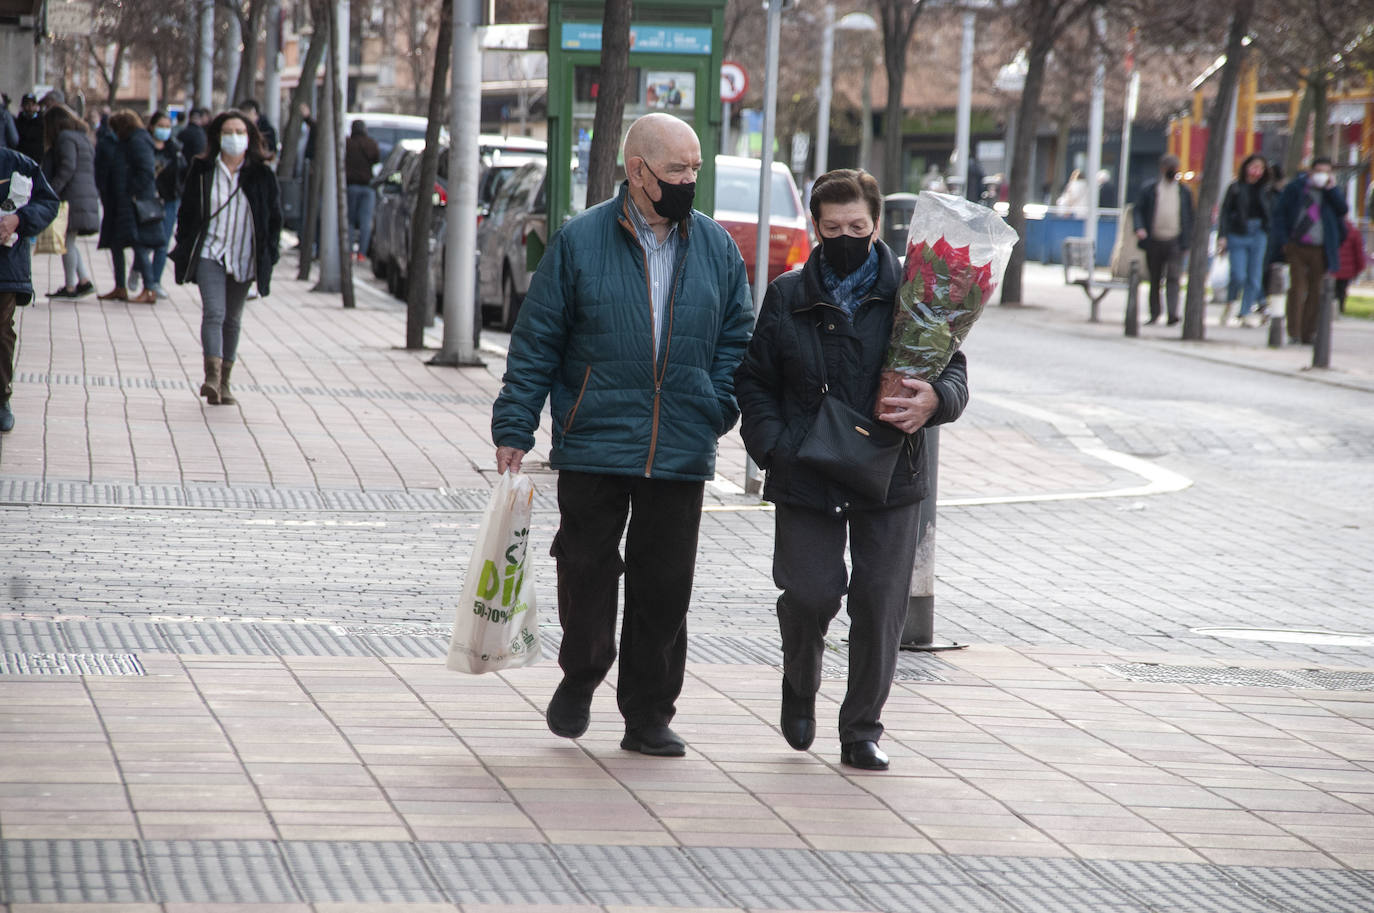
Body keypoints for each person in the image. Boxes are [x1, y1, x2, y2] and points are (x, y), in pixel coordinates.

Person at [490, 112, 753, 757]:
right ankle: (580, 675)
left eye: (696, 168)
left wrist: (716, 405)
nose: (690, 179)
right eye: (676, 170)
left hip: (684, 445)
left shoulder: (716, 248)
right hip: (595, 438)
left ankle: (647, 715)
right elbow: (537, 341)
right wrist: (514, 425)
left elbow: (738, 338)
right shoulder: (580, 242)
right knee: (585, 570)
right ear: (637, 172)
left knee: (665, 589)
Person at [733, 169, 969, 772]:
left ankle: (861, 727)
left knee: (879, 603)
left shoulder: (918, 293)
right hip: (806, 472)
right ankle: (800, 683)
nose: (846, 237)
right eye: (833, 228)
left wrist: (934, 400)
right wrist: (777, 449)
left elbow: (955, 374)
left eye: (857, 227)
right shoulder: (788, 295)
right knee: (810, 595)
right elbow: (755, 382)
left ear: (876, 225)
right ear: (816, 226)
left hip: (891, 474)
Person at [170, 109, 282, 407]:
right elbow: (188, 211)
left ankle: (225, 383)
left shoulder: (261, 175)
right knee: (214, 313)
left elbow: (273, 218)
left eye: (240, 132)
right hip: (211, 252)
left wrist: (271, 253)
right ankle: (211, 376)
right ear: (218, 137)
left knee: (232, 319)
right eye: (228, 132)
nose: (234, 138)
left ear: (250, 137)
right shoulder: (203, 169)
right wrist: (184, 244)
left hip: (245, 256)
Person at [0, 144, 60, 432]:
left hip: (6, 265)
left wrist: (18, 220)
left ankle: (1, 397)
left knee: (1, 331)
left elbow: (48, 202)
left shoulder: (17, 163)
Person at [1270, 156, 1350, 344]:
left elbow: (1342, 210)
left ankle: (1309, 333)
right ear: (1311, 172)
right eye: (1319, 171)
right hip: (1296, 245)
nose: (1322, 175)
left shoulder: (1332, 192)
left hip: (1320, 247)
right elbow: (1280, 214)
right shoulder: (1295, 188)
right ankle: (1294, 332)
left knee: (1317, 290)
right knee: (1297, 288)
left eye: (1326, 172)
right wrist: (1283, 240)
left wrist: (1331, 189)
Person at [94, 109, 161, 304]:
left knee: (139, 244)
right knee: (117, 243)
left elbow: (146, 172)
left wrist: (130, 193)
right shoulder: (129, 141)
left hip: (133, 203)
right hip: (121, 202)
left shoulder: (138, 141)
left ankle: (149, 288)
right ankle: (120, 287)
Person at [41, 103, 100, 299]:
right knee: (70, 241)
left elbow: (67, 167)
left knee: (67, 242)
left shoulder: (65, 139)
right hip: (83, 194)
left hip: (73, 197)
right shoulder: (82, 137)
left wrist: (51, 190)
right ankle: (83, 281)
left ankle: (71, 286)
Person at [1133, 154, 1195, 326]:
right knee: (1155, 278)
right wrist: (1140, 228)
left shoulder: (1183, 191)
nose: (1173, 172)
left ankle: (1173, 313)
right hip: (1154, 240)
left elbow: (1190, 216)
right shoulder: (1150, 189)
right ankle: (1155, 313)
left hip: (1175, 240)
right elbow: (1138, 210)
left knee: (1174, 278)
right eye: (1170, 168)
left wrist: (1187, 241)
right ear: (1162, 169)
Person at [1218, 153, 1271, 327]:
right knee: (1238, 275)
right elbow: (1225, 213)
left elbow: (1271, 213)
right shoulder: (1235, 188)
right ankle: (1230, 301)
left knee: (1254, 276)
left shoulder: (1265, 189)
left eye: (1260, 168)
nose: (1257, 171)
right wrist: (1222, 236)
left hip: (1258, 234)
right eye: (1254, 166)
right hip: (1238, 233)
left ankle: (1245, 312)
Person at [147, 110, 186, 299]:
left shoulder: (175, 148)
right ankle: (140, 268)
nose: (164, 130)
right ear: (152, 126)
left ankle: (155, 281)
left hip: (170, 199)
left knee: (162, 241)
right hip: (148, 199)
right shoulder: (144, 146)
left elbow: (182, 173)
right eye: (161, 126)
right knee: (146, 241)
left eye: (167, 127)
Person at [344, 119, 379, 261]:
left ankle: (350, 251)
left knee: (350, 221)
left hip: (351, 185)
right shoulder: (371, 144)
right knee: (365, 222)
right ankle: (362, 253)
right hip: (367, 187)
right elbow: (376, 159)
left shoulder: (347, 144)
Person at [1333, 216, 1366, 314]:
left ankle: (1331, 310)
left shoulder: (1333, 229)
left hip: (1333, 268)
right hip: (1346, 270)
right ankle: (1339, 310)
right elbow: (1358, 253)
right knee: (1341, 291)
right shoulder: (1353, 231)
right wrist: (1360, 267)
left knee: (1330, 291)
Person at [14, 93, 44, 162]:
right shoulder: (18, 121)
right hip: (22, 157)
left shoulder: (42, 121)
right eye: (27, 104)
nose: (30, 108)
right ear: (23, 106)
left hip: (37, 157)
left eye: (32, 105)